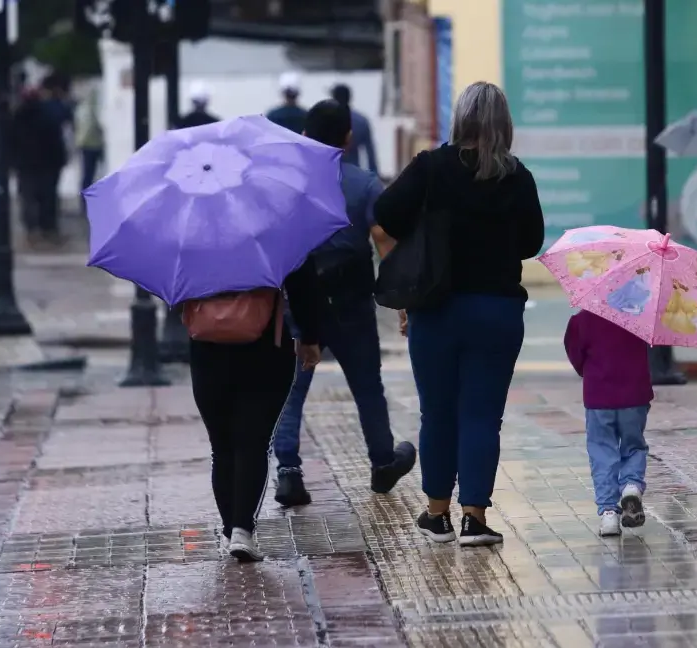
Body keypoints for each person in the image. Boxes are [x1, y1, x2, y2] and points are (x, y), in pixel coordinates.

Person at [374, 81, 545, 547]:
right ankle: (475, 517)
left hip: (437, 311)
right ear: (503, 125)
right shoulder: (518, 176)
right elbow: (532, 242)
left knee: (438, 414)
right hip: (498, 311)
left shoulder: (432, 167)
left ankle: (437, 514)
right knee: (483, 416)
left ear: (461, 120)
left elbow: (385, 211)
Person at [272, 100, 415, 507]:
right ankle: (383, 461)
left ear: (303, 136)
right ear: (349, 138)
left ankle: (288, 473)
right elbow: (385, 243)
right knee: (368, 386)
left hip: (299, 301)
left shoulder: (286, 186)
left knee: (291, 390)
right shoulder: (364, 184)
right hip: (351, 300)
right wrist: (403, 300)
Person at [189, 260, 324, 562]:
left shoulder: (191, 235)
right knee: (252, 442)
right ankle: (241, 530)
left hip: (207, 349)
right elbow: (303, 283)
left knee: (221, 446)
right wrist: (311, 338)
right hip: (265, 348)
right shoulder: (273, 229)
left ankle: (230, 531)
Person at [564, 310, 652, 537]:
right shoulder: (641, 315)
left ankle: (609, 514)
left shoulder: (581, 320)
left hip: (598, 396)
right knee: (634, 445)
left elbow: (576, 356)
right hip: (635, 395)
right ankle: (631, 486)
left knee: (602, 451)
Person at [12, 73, 72, 246]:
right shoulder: (50, 112)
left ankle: (33, 230)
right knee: (48, 197)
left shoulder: (18, 115)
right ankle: (48, 229)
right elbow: (59, 133)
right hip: (47, 163)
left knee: (29, 197)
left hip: (27, 163)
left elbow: (11, 138)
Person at [330, 84, 378, 176]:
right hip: (354, 171)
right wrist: (374, 175)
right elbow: (370, 152)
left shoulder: (325, 120)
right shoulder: (361, 121)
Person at [75, 85, 105, 203]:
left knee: (87, 174)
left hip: (86, 144)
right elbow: (91, 127)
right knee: (90, 174)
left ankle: (85, 199)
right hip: (92, 144)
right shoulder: (90, 109)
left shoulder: (81, 108)